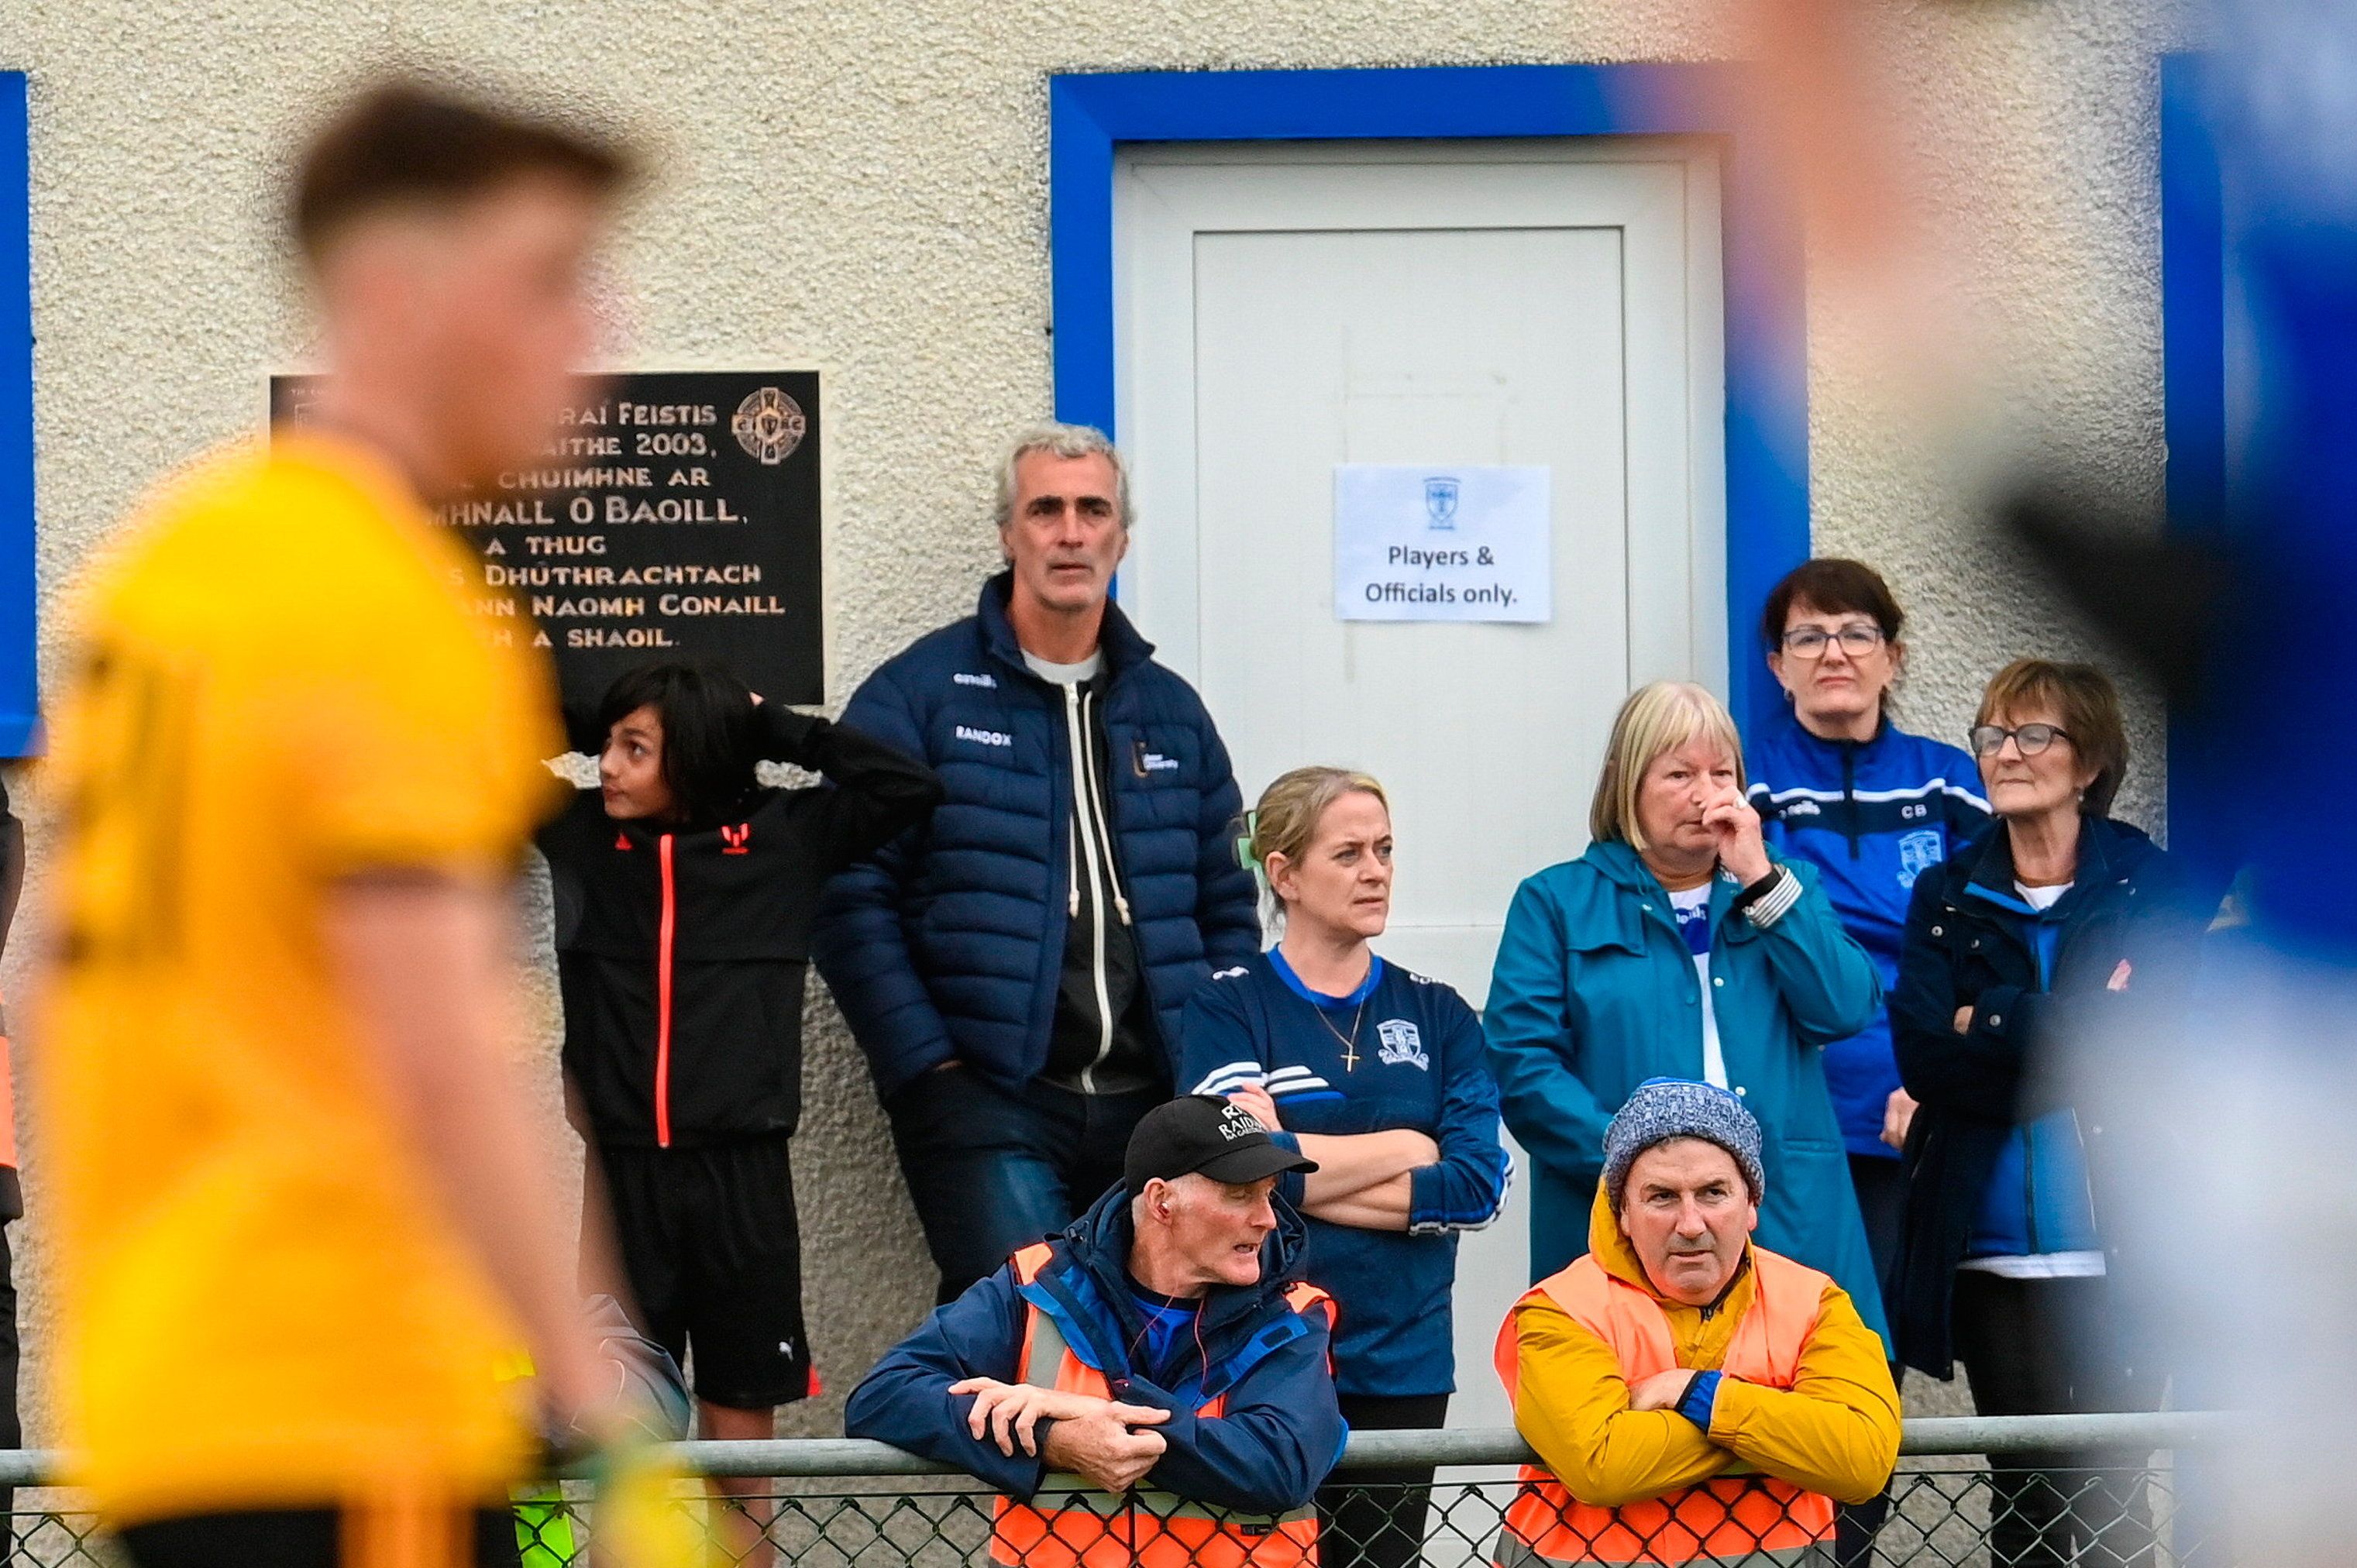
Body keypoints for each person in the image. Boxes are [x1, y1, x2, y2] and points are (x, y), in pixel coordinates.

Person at [36, 82, 646, 1568]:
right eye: (550, 281)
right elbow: (439, 1057)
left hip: (171, 1410)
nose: (594, 336)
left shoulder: (164, 574)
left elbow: (36, 990)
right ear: (392, 287)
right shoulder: (392, 606)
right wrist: (603, 1418)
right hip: (357, 1407)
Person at [814, 422, 1260, 1302]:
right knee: (1032, 1327)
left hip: (1157, 1102)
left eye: (1092, 509)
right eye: (1045, 509)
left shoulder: (1172, 712)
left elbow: (1228, 894)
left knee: (1156, 1328)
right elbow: (846, 889)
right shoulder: (919, 696)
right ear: (1009, 534)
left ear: (1121, 537)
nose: (1070, 531)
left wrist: (1219, 1058)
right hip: (990, 1093)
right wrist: (927, 1063)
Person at [537, 658, 940, 1559]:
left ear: (697, 758)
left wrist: (767, 722)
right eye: (606, 744)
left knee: (737, 1447)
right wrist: (605, 716)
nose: (606, 765)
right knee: (620, 1440)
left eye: (634, 749)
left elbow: (906, 785)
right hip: (623, 1184)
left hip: (743, 1184)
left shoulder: (785, 839)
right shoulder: (582, 835)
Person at [1891, 658, 2207, 1568]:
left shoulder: (2153, 885)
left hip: (2129, 1242)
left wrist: (1987, 1017)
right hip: (1993, 1256)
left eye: (2035, 734)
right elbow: (1924, 1056)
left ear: (2091, 758)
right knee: (2024, 1493)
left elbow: (2141, 1048)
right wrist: (2072, 1042)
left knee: (2113, 1489)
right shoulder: (1945, 894)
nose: (2006, 753)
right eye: (1993, 734)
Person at [1484, 680, 1889, 1348]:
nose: (1708, 795)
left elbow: (1845, 1009)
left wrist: (1761, 879)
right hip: (1623, 1224)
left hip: (1782, 1216)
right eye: (1680, 774)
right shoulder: (1554, 901)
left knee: (1797, 1426)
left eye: (1722, 774)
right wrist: (1640, 1171)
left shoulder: (1784, 886)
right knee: (1632, 1424)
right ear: (1626, 785)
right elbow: (1523, 1069)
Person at [1178, 766, 1509, 1568]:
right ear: (1283, 873)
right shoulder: (1227, 1004)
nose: (1377, 870)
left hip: (1404, 1358)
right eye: (1350, 852)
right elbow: (1233, 1174)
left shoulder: (1440, 1012)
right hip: (1260, 1350)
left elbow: (1475, 1185)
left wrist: (1293, 1161)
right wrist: (1406, 1146)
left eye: (1386, 849)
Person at [1742, 559, 1987, 1564]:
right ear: (1776, 663)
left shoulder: (1946, 779)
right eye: (1808, 637)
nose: (1833, 654)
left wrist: (1929, 1073)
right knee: (1765, 1350)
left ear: (1891, 656)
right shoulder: (1749, 781)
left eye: (1854, 634)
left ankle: (1838, 1553)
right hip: (1781, 1125)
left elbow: (1979, 941)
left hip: (1901, 1118)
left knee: (1862, 1357)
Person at [844, 1094, 1347, 1566]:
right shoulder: (1036, 1281)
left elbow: (1281, 1466)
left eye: (1269, 1196)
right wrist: (1053, 1439)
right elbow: (883, 1398)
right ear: (1161, 1201)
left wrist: (1104, 1414)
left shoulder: (1295, 1313)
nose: (1266, 1220)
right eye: (1240, 1196)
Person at [1493, 1079, 1899, 1568]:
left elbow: (1863, 1459)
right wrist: (1782, 1425)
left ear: (1751, 1204)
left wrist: (1696, 1394)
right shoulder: (1560, 1310)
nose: (1690, 1223)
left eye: (1713, 1193)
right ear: (1622, 1212)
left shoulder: (1815, 1301)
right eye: (1662, 1197)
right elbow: (1602, 1468)